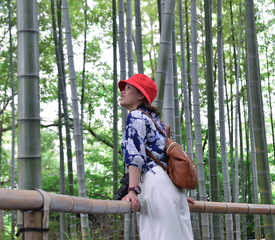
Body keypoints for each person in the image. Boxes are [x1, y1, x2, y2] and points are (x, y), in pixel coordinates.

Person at [118, 73, 194, 240]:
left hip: (155, 185)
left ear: (140, 95)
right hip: (171, 187)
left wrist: (133, 190)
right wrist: (174, 193)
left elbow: (135, 157)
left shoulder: (136, 116)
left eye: (128, 88)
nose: (123, 91)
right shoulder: (156, 121)